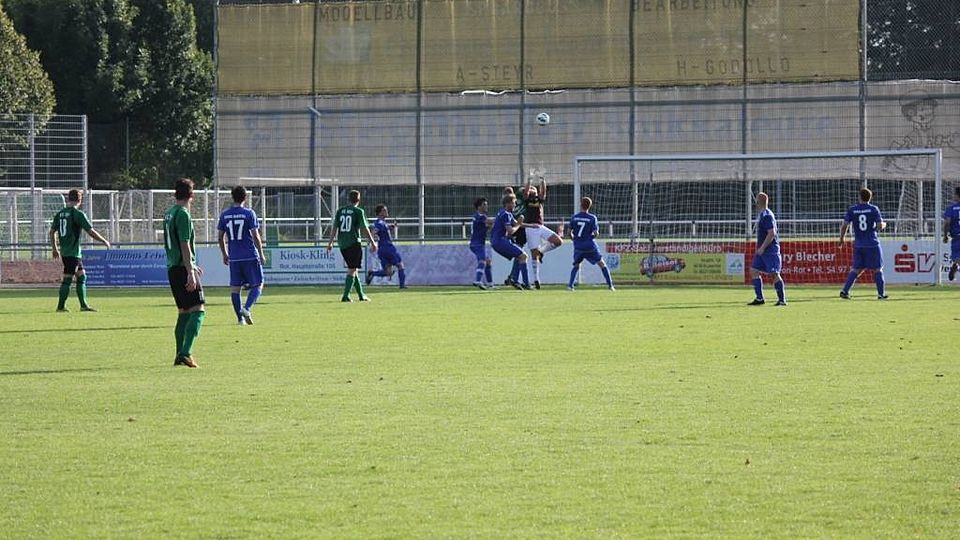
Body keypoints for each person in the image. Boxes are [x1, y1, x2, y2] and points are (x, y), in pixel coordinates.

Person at [163, 178, 204, 368]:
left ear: (175, 193)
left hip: (173, 268)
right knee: (198, 310)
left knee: (184, 312)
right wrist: (190, 271)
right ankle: (186, 352)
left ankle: (179, 354)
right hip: (182, 269)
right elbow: (184, 244)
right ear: (192, 195)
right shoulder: (183, 214)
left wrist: (192, 265)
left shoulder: (169, 214)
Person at [49, 189, 111, 312]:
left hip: (67, 252)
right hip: (72, 253)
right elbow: (90, 231)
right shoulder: (77, 214)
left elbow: (51, 232)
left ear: (68, 199)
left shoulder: (60, 214)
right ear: (80, 200)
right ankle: (60, 307)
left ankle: (83, 305)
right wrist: (104, 241)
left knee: (82, 277)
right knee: (67, 279)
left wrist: (55, 248)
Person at [217, 185, 266, 325]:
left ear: (232, 197)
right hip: (250, 255)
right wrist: (261, 254)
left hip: (234, 257)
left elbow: (220, 237)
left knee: (235, 289)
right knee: (258, 284)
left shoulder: (225, 214)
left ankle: (240, 320)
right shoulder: (249, 213)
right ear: (245, 197)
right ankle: (247, 308)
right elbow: (255, 236)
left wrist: (225, 254)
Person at [326, 190, 378, 302]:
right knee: (352, 269)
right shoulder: (358, 211)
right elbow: (365, 228)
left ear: (349, 199)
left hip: (342, 244)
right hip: (354, 243)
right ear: (359, 199)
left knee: (354, 269)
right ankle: (346, 295)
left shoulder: (340, 211)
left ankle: (361, 295)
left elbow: (334, 227)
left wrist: (330, 242)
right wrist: (373, 242)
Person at [838, 188, 888, 299]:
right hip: (872, 244)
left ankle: (845, 291)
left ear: (859, 197)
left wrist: (842, 238)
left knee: (856, 269)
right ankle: (881, 294)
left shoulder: (852, 209)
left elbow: (844, 225)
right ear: (870, 198)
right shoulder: (874, 209)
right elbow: (880, 226)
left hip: (859, 245)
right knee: (877, 269)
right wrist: (885, 224)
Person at [521, 176, 563, 289]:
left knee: (558, 241)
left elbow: (543, 192)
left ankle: (542, 251)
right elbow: (525, 192)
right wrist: (529, 181)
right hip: (531, 228)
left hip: (540, 226)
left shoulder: (539, 200)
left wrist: (542, 181)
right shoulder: (527, 200)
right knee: (534, 254)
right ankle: (536, 279)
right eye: (531, 189)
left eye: (534, 189)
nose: (532, 190)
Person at [567, 197, 614, 291]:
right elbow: (596, 233)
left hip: (578, 246)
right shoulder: (592, 218)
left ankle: (570, 286)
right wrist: (590, 238)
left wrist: (574, 239)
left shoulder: (574, 217)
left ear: (580, 204)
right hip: (590, 246)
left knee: (576, 265)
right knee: (601, 263)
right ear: (590, 206)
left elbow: (569, 232)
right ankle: (610, 286)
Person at [748, 192, 786, 306]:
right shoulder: (762, 214)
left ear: (759, 202)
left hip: (770, 251)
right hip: (762, 251)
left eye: (756, 201)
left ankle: (782, 300)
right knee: (754, 270)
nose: (755, 203)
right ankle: (759, 298)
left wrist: (763, 247)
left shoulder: (767, 215)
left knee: (774, 274)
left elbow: (771, 233)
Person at [491, 193, 529, 289]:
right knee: (523, 256)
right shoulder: (506, 214)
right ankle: (526, 284)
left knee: (519, 256)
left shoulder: (504, 212)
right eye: (514, 203)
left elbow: (517, 224)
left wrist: (533, 226)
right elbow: (511, 231)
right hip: (500, 241)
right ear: (508, 204)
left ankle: (513, 280)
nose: (515, 205)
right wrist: (519, 224)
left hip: (496, 241)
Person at [365, 204, 406, 289]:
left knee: (388, 272)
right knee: (400, 265)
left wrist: (391, 227)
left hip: (381, 250)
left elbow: (382, 230)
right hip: (388, 247)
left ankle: (372, 273)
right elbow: (374, 231)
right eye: (384, 210)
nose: (387, 211)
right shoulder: (379, 223)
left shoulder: (381, 223)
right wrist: (371, 243)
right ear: (380, 213)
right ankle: (402, 286)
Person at [469, 197, 495, 289]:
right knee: (482, 261)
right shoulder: (480, 216)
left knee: (487, 262)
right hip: (477, 244)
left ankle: (490, 284)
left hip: (477, 243)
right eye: (484, 204)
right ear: (479, 207)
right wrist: (501, 218)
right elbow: (489, 221)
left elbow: (486, 226)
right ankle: (477, 281)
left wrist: (489, 226)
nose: (486, 206)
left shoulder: (478, 216)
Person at [942, 186, 960, 280]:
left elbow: (947, 223)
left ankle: (956, 265)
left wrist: (945, 235)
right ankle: (957, 265)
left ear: (956, 195)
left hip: (956, 237)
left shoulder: (951, 208)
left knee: (956, 258)